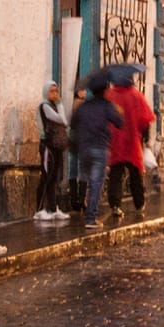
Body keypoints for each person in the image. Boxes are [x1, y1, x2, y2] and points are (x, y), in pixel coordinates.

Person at [69, 81, 124, 228]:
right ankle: (90, 218)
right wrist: (118, 111)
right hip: (99, 149)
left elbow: (73, 124)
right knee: (95, 184)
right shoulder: (107, 106)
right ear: (105, 90)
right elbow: (119, 123)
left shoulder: (83, 107)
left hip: (84, 149)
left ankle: (81, 202)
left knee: (84, 179)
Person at [106, 74, 155, 222]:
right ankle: (139, 203)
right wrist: (145, 138)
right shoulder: (136, 96)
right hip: (132, 140)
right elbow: (145, 119)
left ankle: (115, 204)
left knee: (115, 173)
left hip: (116, 141)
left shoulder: (110, 96)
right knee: (135, 174)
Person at [34, 82, 67, 222]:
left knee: (53, 178)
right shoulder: (45, 107)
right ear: (46, 92)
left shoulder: (53, 106)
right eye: (51, 91)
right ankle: (39, 209)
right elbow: (62, 120)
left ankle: (53, 208)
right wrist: (60, 104)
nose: (55, 94)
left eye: (56, 90)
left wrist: (59, 105)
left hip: (57, 145)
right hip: (48, 146)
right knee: (46, 177)